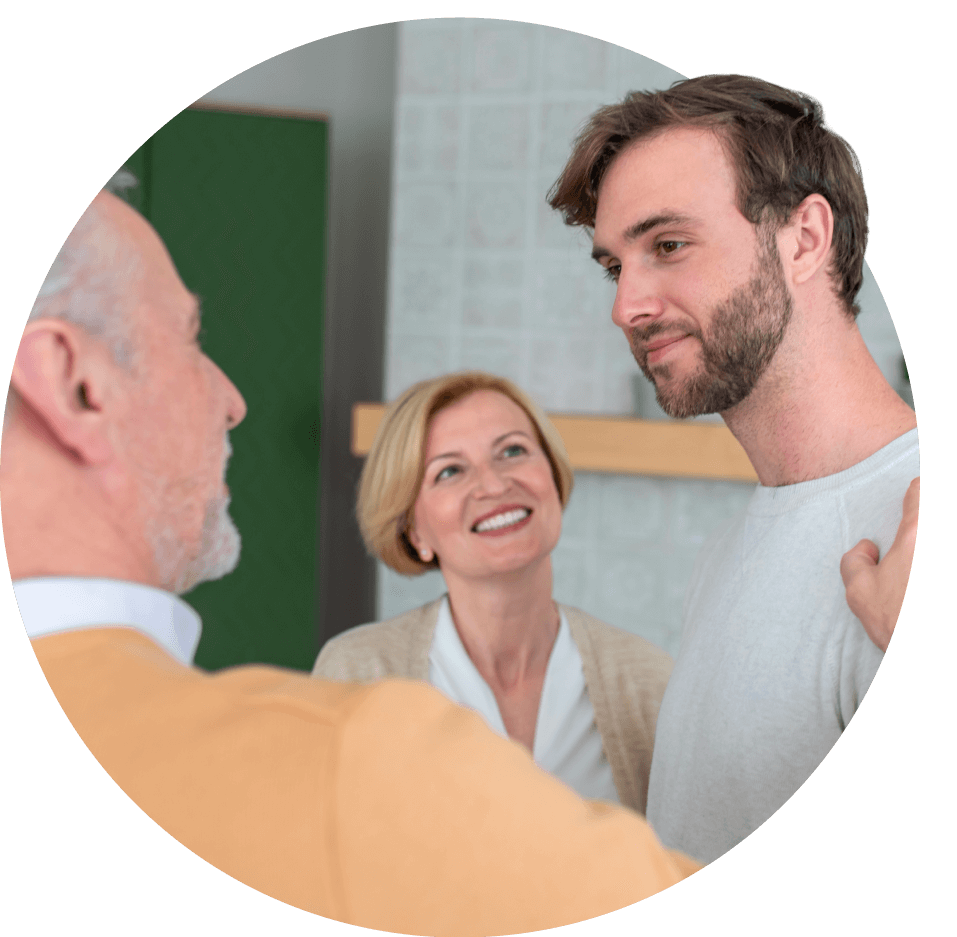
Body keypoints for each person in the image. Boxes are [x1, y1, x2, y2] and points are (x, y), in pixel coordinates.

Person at [5, 181, 706, 931]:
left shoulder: (648, 680)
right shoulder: (357, 740)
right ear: (73, 384)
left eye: (512, 450)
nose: (234, 399)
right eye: (190, 338)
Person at [547, 73, 920, 864]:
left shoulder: (909, 520)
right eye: (615, 266)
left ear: (803, 238)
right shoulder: (731, 548)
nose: (626, 306)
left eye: (668, 245)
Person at [313, 370, 673, 815]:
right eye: (450, 471)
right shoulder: (356, 673)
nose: (494, 485)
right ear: (413, 528)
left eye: (513, 451)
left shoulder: (649, 682)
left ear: (553, 479)